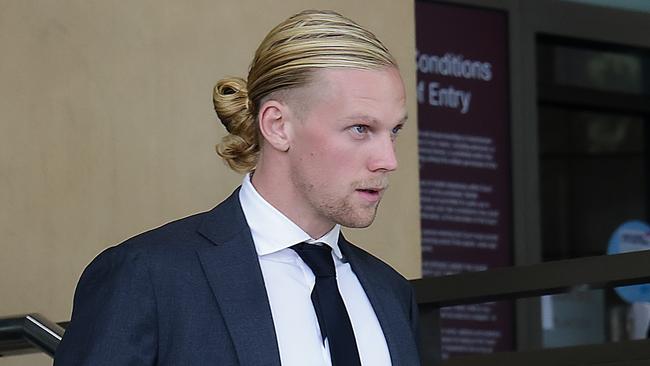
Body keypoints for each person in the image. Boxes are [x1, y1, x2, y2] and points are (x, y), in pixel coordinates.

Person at [55, 9, 421, 366]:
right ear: (277, 125)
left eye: (394, 131)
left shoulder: (390, 293)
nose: (388, 160)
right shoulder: (148, 275)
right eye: (360, 129)